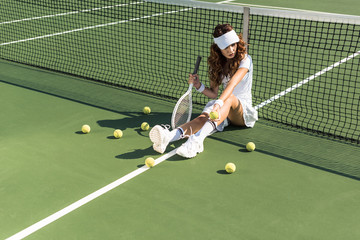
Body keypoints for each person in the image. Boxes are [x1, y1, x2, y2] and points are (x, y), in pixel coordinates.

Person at [149, 23, 258, 158]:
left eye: (233, 45)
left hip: (241, 112)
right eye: (226, 47)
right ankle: (169, 137)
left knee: (228, 99)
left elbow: (232, 85)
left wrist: (218, 104)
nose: (231, 50)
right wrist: (198, 85)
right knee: (203, 118)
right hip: (222, 106)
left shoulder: (245, 60)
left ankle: (197, 141)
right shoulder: (216, 65)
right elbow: (213, 93)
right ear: (218, 48)